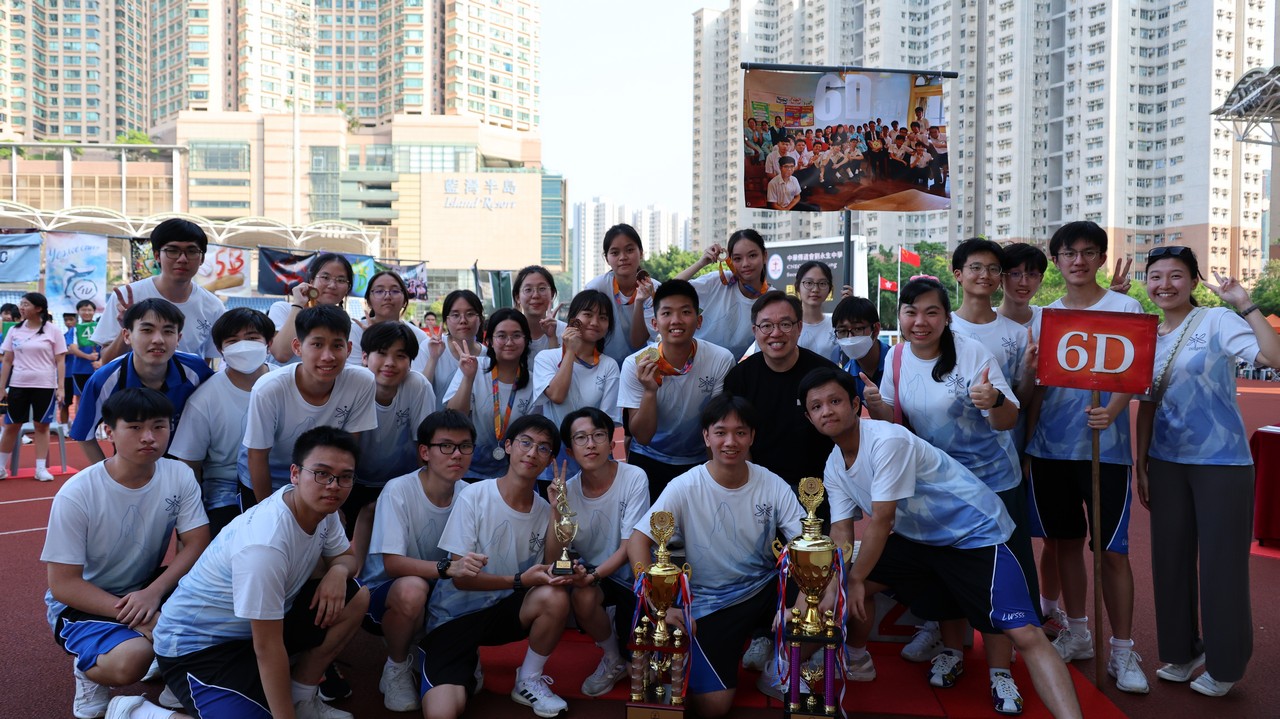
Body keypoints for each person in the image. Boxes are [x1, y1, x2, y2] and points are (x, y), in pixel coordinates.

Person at [799, 367, 1084, 719]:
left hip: (974, 535)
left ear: (856, 404)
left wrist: (856, 578)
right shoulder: (833, 464)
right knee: (835, 589)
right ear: (809, 417)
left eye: (835, 401)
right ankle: (841, 661)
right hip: (920, 540)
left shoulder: (887, 440)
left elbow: (883, 519)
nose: (827, 411)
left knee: (1025, 633)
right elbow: (842, 530)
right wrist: (835, 580)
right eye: (816, 406)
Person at [862, 277, 1030, 712]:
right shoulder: (896, 356)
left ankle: (1001, 672)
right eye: (911, 312)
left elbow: (1008, 420)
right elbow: (897, 423)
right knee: (945, 570)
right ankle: (953, 650)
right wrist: (877, 406)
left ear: (946, 317)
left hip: (991, 484)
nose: (920, 321)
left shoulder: (972, 352)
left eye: (931, 312)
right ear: (899, 316)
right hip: (938, 485)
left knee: (993, 581)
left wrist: (993, 400)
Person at [141, 427, 370, 719]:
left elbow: (346, 558)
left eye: (345, 477)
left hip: (250, 631)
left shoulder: (324, 510)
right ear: (295, 474)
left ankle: (301, 698)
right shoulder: (265, 544)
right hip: (196, 648)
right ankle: (138, 712)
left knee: (356, 596)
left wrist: (338, 571)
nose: (333, 485)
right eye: (322, 473)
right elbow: (268, 647)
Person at [1135, 247, 1280, 697]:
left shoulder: (1216, 321)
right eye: (1155, 276)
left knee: (1222, 565)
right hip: (1166, 462)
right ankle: (1182, 651)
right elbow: (1147, 403)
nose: (1165, 285)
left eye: (1176, 275)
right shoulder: (1147, 335)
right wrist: (1141, 463)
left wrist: (1245, 304)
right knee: (1169, 561)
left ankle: (1226, 664)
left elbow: (1274, 357)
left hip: (1222, 463)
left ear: (1194, 281)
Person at [1024, 220, 1149, 693]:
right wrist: (1028, 448)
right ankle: (1078, 632)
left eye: (1088, 252)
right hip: (1051, 450)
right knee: (1065, 544)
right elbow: (1037, 389)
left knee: (1113, 551)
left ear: (1100, 257)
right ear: (1056, 260)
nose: (1078, 261)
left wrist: (1112, 411)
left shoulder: (1125, 307)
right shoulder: (1044, 316)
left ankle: (1123, 649)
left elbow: (1135, 375)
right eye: (1069, 253)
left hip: (1106, 453)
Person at [627, 394, 806, 719]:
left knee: (829, 595)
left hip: (764, 588)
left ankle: (780, 666)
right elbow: (638, 540)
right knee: (714, 707)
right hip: (711, 602)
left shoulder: (772, 484)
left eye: (740, 432)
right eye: (721, 432)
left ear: (752, 437)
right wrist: (657, 602)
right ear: (706, 437)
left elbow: (806, 546)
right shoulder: (684, 486)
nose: (730, 442)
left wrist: (803, 604)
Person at [42, 388, 210, 719]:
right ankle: (88, 669)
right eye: (134, 427)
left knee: (219, 607)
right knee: (132, 659)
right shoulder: (77, 494)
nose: (149, 437)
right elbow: (63, 584)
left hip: (145, 588)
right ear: (109, 431)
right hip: (84, 603)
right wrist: (141, 616)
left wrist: (153, 593)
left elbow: (197, 541)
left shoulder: (178, 474)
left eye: (159, 426)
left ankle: (169, 663)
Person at [419, 415, 574, 719]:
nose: (532, 453)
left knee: (554, 596)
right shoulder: (474, 495)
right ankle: (456, 662)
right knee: (442, 713)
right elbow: (461, 579)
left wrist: (557, 512)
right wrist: (518, 580)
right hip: (455, 617)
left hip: (504, 611)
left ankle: (528, 679)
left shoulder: (545, 510)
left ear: (550, 460)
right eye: (526, 443)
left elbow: (551, 567)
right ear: (508, 446)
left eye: (543, 448)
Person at [358, 409, 487, 712]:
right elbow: (392, 564)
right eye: (446, 446)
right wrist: (447, 568)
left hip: (442, 594)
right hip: (386, 593)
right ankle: (396, 665)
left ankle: (442, 646)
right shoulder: (399, 490)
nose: (457, 454)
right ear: (425, 452)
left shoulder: (472, 495)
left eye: (465, 446)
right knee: (413, 589)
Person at [549, 407, 650, 697]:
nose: (590, 444)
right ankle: (611, 657)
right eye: (581, 438)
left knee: (643, 677)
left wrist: (593, 576)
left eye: (598, 435)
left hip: (634, 576)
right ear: (570, 450)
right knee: (582, 595)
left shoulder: (634, 477)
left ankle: (626, 641)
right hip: (597, 577)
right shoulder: (566, 491)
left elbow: (629, 546)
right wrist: (556, 511)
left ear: (611, 442)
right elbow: (553, 558)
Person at [244, 305, 377, 504]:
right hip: (268, 482)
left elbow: (346, 449)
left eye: (337, 346)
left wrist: (334, 504)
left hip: (322, 482)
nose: (328, 356)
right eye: (317, 344)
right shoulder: (268, 389)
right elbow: (257, 457)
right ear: (297, 347)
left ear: (349, 349)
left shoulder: (361, 382)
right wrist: (268, 509)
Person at [618, 279, 735, 499]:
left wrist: (715, 478)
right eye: (667, 313)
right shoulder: (636, 364)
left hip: (699, 459)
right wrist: (650, 391)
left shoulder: (720, 359)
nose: (676, 320)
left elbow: (716, 425)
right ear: (655, 323)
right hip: (649, 457)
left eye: (685, 312)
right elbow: (642, 437)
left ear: (699, 321)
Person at [168, 308, 274, 536]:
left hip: (284, 484)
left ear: (269, 343)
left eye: (252, 338)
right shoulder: (203, 399)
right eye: (233, 341)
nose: (243, 346)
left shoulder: (287, 384)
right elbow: (189, 465)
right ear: (220, 350)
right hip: (225, 493)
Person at [70, 298, 215, 465]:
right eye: (147, 330)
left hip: (186, 469)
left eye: (168, 331)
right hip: (131, 471)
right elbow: (84, 434)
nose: (158, 340)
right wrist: (109, 475)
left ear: (178, 338)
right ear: (127, 336)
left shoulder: (197, 370)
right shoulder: (104, 380)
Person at [346, 321, 437, 562]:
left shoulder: (418, 386)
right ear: (364, 357)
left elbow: (424, 447)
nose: (390, 363)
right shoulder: (352, 385)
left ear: (410, 362)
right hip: (352, 482)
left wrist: (422, 494)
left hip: (399, 483)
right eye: (382, 353)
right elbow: (345, 449)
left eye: (400, 356)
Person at [95, 219, 225, 364]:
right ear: (157, 255)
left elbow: (204, 363)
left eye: (192, 251)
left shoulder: (213, 306)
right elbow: (107, 362)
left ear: (202, 259)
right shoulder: (126, 297)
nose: (182, 259)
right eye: (172, 251)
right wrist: (128, 325)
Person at [531, 289, 621, 478]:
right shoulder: (546, 358)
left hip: (593, 459)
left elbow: (607, 421)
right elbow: (557, 395)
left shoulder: (609, 365)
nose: (595, 322)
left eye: (603, 317)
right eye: (588, 314)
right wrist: (570, 351)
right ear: (573, 319)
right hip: (553, 459)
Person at [445, 308, 542, 482]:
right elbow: (454, 417)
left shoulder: (533, 382)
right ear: (489, 340)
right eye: (501, 336)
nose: (509, 342)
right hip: (465, 471)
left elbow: (531, 434)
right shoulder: (473, 366)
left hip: (511, 475)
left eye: (517, 335)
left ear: (526, 340)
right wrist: (468, 378)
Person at [0, 292, 66, 481]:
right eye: (21, 304)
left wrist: (61, 387)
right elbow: (7, 360)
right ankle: (1, 467)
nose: (21, 307)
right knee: (11, 425)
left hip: (44, 385)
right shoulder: (14, 330)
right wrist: (1, 387)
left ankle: (40, 469)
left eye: (26, 304)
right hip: (18, 384)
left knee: (41, 426)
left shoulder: (53, 331)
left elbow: (60, 360)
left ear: (38, 308)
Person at [677, 229, 771, 358]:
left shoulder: (771, 300)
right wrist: (701, 263)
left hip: (726, 368)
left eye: (752, 255)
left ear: (764, 256)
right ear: (729, 260)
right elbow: (669, 290)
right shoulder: (718, 281)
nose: (745, 264)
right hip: (687, 359)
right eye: (737, 258)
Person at [583, 224, 660, 366]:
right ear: (606, 258)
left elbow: (638, 342)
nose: (623, 257)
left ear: (641, 252)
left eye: (629, 250)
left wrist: (639, 302)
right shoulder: (596, 288)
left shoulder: (653, 289)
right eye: (615, 253)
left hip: (642, 364)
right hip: (601, 364)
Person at [268, 253, 354, 365]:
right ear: (312, 281)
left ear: (348, 288)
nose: (332, 285)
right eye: (325, 277)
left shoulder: (345, 324)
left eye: (341, 280)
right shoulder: (283, 309)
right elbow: (281, 354)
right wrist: (298, 305)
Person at [348, 270, 432, 375]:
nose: (387, 297)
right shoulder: (355, 331)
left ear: (404, 300)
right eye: (379, 291)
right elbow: (355, 375)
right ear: (368, 301)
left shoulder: (418, 336)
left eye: (395, 291)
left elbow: (415, 376)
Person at [424, 289, 485, 408]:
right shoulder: (429, 346)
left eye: (470, 314)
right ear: (446, 321)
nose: (463, 321)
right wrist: (433, 358)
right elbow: (418, 393)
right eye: (455, 315)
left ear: (480, 319)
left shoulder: (487, 356)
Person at [831, 296, 888, 403]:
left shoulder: (899, 362)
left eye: (857, 329)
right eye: (842, 331)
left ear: (875, 329)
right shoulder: (845, 378)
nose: (850, 337)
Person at [512, 265, 566, 360]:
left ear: (552, 294)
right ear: (517, 297)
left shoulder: (565, 333)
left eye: (542, 289)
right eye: (528, 290)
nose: (535, 295)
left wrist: (552, 338)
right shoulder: (509, 332)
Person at [63, 302, 101, 427]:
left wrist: (100, 361)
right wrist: (88, 357)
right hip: (80, 370)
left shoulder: (100, 327)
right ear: (78, 312)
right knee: (80, 398)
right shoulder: (74, 330)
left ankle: (99, 426)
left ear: (94, 311)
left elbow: (107, 345)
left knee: (99, 398)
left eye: (89, 310)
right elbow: (72, 348)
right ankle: (81, 426)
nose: (87, 312)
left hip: (99, 369)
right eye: (83, 310)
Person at [996, 243, 1048, 329]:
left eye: (1032, 274)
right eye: (1015, 274)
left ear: (1040, 279)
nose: (1024, 283)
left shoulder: (1046, 320)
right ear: (1001, 277)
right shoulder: (986, 321)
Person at [794, 261, 838, 360]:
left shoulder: (835, 326)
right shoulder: (788, 325)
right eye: (809, 283)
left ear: (830, 289)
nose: (815, 289)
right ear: (797, 286)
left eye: (822, 283)